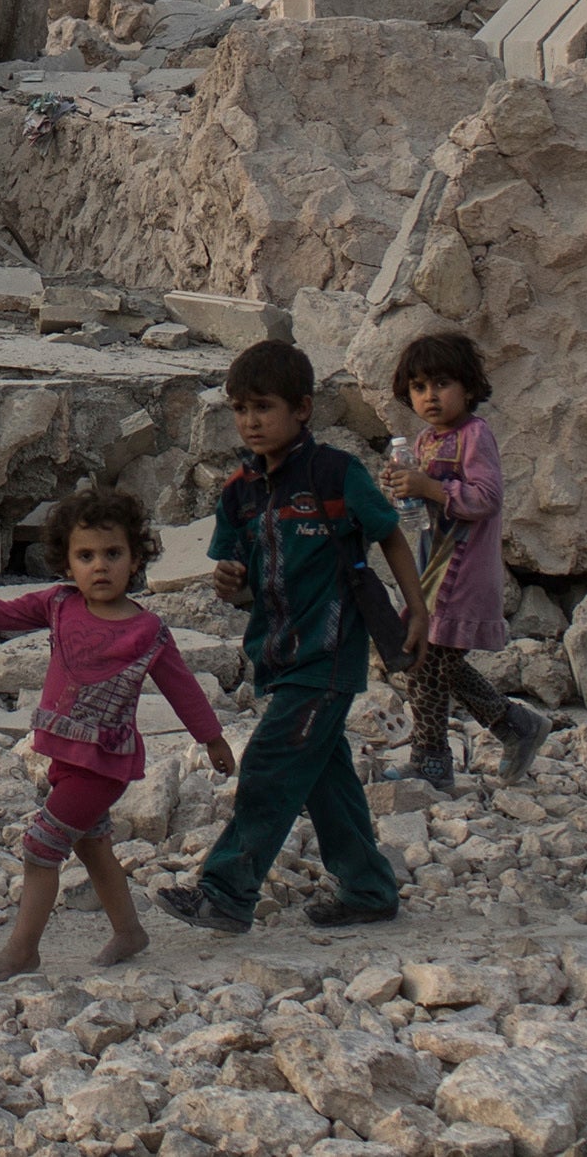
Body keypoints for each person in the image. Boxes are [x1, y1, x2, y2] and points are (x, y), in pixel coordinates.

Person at [161, 340, 422, 935]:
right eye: (239, 409)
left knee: (270, 769)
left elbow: (389, 535)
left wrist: (417, 609)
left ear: (302, 408)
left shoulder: (336, 474)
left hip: (328, 656)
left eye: (263, 407)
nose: (250, 422)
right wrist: (230, 581)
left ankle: (226, 893)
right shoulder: (240, 492)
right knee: (326, 779)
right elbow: (239, 582)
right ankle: (369, 888)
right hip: (277, 656)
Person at [0, 484, 230, 976]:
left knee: (41, 847)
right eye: (86, 556)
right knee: (90, 842)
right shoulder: (59, 605)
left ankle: (23, 950)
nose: (100, 566)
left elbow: (182, 688)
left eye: (113, 553)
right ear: (67, 564)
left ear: (136, 559)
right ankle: (130, 931)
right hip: (65, 755)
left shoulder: (146, 631)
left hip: (103, 764)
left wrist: (211, 738)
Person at [382, 330, 550, 790]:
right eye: (418, 387)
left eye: (441, 384)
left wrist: (430, 488)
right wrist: (402, 487)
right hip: (433, 569)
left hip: (464, 571)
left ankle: (431, 758)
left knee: (428, 662)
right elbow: (418, 507)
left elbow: (487, 497)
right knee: (437, 663)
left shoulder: (475, 436)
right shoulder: (424, 441)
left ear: (469, 388)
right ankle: (515, 726)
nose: (429, 396)